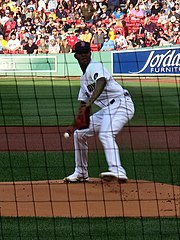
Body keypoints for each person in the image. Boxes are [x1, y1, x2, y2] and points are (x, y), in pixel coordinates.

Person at [64, 41, 135, 183]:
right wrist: (74, 125)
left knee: (106, 133)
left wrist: (92, 100)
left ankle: (117, 170)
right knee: (80, 134)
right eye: (80, 53)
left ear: (90, 53)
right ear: (75, 56)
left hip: (121, 104)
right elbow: (83, 105)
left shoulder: (95, 66)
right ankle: (81, 173)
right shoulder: (83, 79)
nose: (83, 55)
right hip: (108, 109)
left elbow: (101, 81)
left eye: (86, 52)